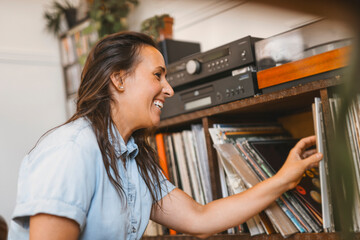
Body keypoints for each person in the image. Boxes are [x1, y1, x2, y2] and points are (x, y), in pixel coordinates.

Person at [8, 31, 322, 240]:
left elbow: (201, 218)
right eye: (158, 75)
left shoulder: (132, 159)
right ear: (119, 79)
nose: (169, 89)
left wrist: (285, 178)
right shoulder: (71, 150)